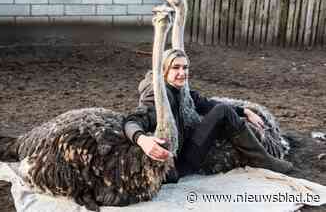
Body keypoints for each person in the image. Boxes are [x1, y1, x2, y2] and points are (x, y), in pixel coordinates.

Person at [124, 49, 293, 183]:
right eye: (176, 68)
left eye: (185, 67)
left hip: (186, 146)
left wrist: (244, 111)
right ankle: (262, 160)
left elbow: (206, 104)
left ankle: (261, 158)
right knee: (223, 111)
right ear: (164, 70)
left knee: (222, 110)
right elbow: (131, 121)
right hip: (176, 164)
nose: (182, 72)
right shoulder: (158, 95)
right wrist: (142, 140)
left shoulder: (181, 91)